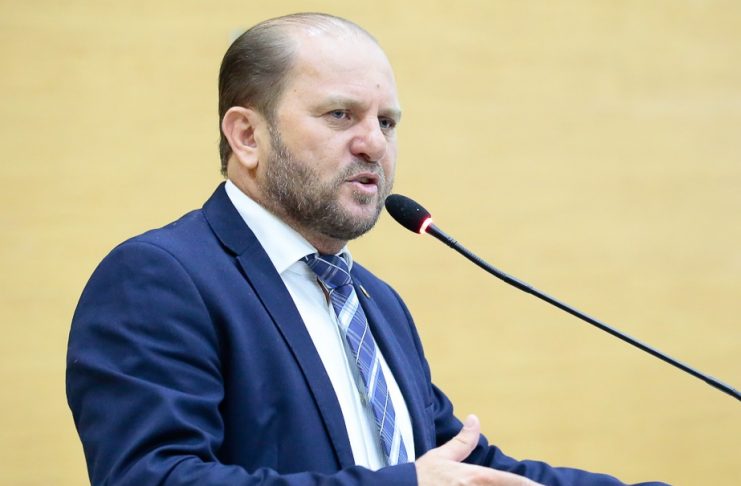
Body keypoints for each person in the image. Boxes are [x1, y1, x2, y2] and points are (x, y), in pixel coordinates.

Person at [66, 13, 669, 486]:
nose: (373, 144)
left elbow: (464, 471)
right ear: (247, 135)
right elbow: (155, 478)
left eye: (387, 122)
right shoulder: (162, 279)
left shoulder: (375, 302)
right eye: (340, 115)